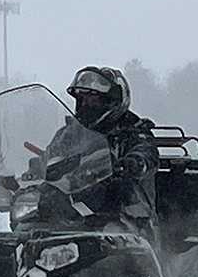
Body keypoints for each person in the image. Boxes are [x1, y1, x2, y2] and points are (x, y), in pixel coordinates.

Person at [64, 66, 159, 238]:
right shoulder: (71, 134)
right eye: (82, 99)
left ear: (112, 101)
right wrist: (34, 173)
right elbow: (52, 156)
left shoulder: (134, 130)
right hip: (77, 211)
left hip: (125, 215)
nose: (85, 104)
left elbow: (146, 150)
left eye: (92, 98)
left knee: (119, 241)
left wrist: (135, 161)